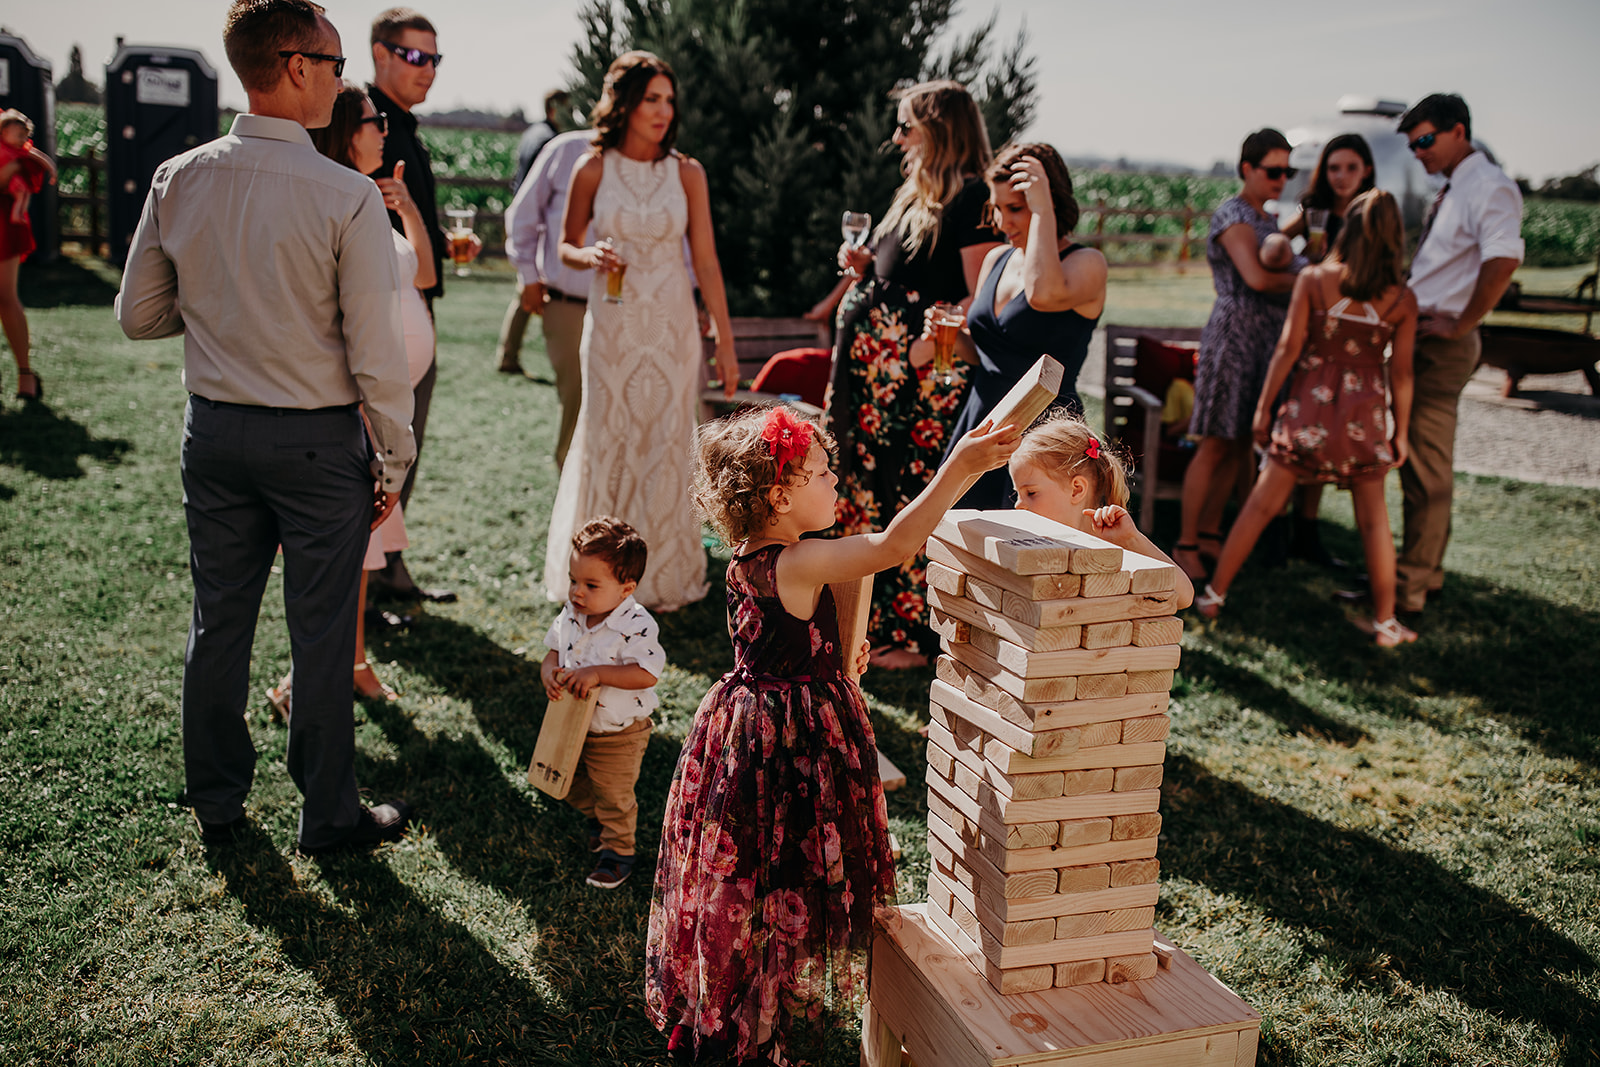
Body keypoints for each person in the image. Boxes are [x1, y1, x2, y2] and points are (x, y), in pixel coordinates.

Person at [116, 0, 416, 852]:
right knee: (321, 634)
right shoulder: (346, 194)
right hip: (317, 442)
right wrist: (393, 451)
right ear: (293, 65)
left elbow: (137, 315)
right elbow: (375, 349)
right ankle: (326, 815)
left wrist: (222, 314)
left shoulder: (179, 175)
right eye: (332, 64)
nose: (339, 78)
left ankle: (216, 801)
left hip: (212, 433)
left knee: (219, 621)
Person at [646, 405, 1020, 1065]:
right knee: (785, 876)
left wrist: (832, 655)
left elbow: (788, 640)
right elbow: (895, 545)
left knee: (755, 883)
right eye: (822, 473)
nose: (835, 483)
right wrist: (962, 464)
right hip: (790, 746)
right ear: (780, 496)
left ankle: (747, 1017)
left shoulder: (750, 560)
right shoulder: (802, 558)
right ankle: (752, 1037)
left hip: (744, 730)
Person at [265, 82, 440, 717]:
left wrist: (408, 208)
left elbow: (424, 275)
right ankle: (300, 682)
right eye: (373, 122)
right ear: (346, 128)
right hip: (353, 403)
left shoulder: (368, 198)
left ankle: (355, 663)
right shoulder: (329, 200)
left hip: (382, 401)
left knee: (358, 553)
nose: (383, 131)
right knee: (338, 553)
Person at [541, 50, 738, 612]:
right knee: (610, 434)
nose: (662, 111)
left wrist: (722, 340)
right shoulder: (594, 166)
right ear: (624, 102)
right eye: (652, 99)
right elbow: (563, 245)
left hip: (672, 324)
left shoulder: (687, 171)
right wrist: (589, 255)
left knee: (668, 438)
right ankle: (595, 574)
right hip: (613, 324)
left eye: (669, 100)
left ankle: (658, 575)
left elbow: (706, 261)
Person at [826, 79, 1002, 668]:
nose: (897, 137)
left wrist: (924, 342)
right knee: (866, 490)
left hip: (918, 383)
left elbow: (979, 299)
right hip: (875, 382)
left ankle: (906, 636)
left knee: (907, 489)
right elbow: (895, 268)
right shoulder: (914, 192)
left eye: (907, 125)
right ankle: (865, 615)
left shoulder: (975, 199)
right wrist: (864, 266)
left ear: (940, 130)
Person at [1195, 190, 1417, 646]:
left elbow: (1287, 349)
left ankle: (1214, 595)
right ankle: (1385, 623)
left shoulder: (1315, 280)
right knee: (1374, 523)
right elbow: (1404, 373)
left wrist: (1262, 409)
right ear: (1396, 239)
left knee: (1260, 505)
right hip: (1365, 420)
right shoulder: (1402, 299)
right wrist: (1402, 433)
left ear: (1347, 230)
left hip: (1307, 413)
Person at [1390, 93, 1522, 616]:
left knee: (1425, 467)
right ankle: (1425, 574)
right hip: (1423, 338)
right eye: (1412, 144)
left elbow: (1505, 257)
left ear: (1458, 131)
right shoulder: (1455, 189)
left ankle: (1408, 590)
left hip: (1441, 345)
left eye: (1425, 140)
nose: (1418, 152)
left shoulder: (1488, 186)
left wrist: (1463, 321)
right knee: (1419, 464)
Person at [927, 142, 1107, 511]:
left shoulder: (1087, 263)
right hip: (980, 424)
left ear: (1050, 203)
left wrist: (1042, 210)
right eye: (996, 208)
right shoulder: (997, 258)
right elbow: (984, 355)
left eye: (1016, 208)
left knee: (1030, 558)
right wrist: (949, 337)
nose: (1002, 222)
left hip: (1043, 439)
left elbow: (1042, 293)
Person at [365, 6, 473, 605]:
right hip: (384, 312)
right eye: (416, 56)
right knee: (384, 450)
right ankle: (373, 580)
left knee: (404, 447)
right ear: (381, 54)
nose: (428, 69)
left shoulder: (404, 124)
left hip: (416, 301)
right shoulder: (367, 123)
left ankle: (392, 573)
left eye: (435, 58)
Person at [1174, 128, 1304, 583]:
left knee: (1235, 445)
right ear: (1246, 168)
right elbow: (1257, 279)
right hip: (1234, 339)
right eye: (1273, 170)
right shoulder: (1233, 214)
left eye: (1288, 171)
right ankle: (1185, 543)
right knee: (1213, 443)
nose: (1282, 178)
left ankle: (1210, 532)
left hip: (1263, 341)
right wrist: (1318, 282)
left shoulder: (1263, 217)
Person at [540, 516, 664, 890]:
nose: (577, 592)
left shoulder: (636, 624)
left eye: (591, 585)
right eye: (573, 580)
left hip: (618, 732)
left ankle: (618, 852)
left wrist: (596, 673)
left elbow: (646, 673)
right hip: (573, 723)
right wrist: (548, 674)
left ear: (626, 589)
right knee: (566, 780)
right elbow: (551, 653)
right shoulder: (572, 613)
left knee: (613, 792)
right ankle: (603, 820)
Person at [1279, 133, 1379, 566]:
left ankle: (1306, 527)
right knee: (1292, 432)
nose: (1341, 177)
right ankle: (1277, 527)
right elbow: (1278, 245)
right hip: (1307, 329)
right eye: (1334, 168)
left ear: (1367, 171)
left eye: (1350, 168)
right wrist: (1301, 251)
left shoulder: (1372, 217)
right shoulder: (1314, 210)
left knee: (1324, 432)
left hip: (1344, 342)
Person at [1009, 413, 1194, 610]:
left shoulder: (1111, 547)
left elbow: (1184, 597)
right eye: (1017, 494)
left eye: (1031, 493)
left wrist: (1131, 540)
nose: (1018, 505)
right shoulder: (1027, 542)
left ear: (1077, 489)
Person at [503, 128, 594, 466]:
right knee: (578, 402)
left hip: (630, 310)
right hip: (566, 302)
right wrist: (528, 276)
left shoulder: (656, 162)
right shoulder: (565, 149)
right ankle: (571, 503)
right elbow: (522, 216)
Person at [497, 88, 572, 376]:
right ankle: (508, 354)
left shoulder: (533, 133)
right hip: (537, 221)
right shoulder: (549, 140)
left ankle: (508, 352)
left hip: (529, 217)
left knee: (524, 290)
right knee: (527, 289)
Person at [0, 108, 56, 402]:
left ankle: (25, 374)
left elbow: (16, 168)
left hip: (3, 222)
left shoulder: (7, 127)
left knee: (5, 297)